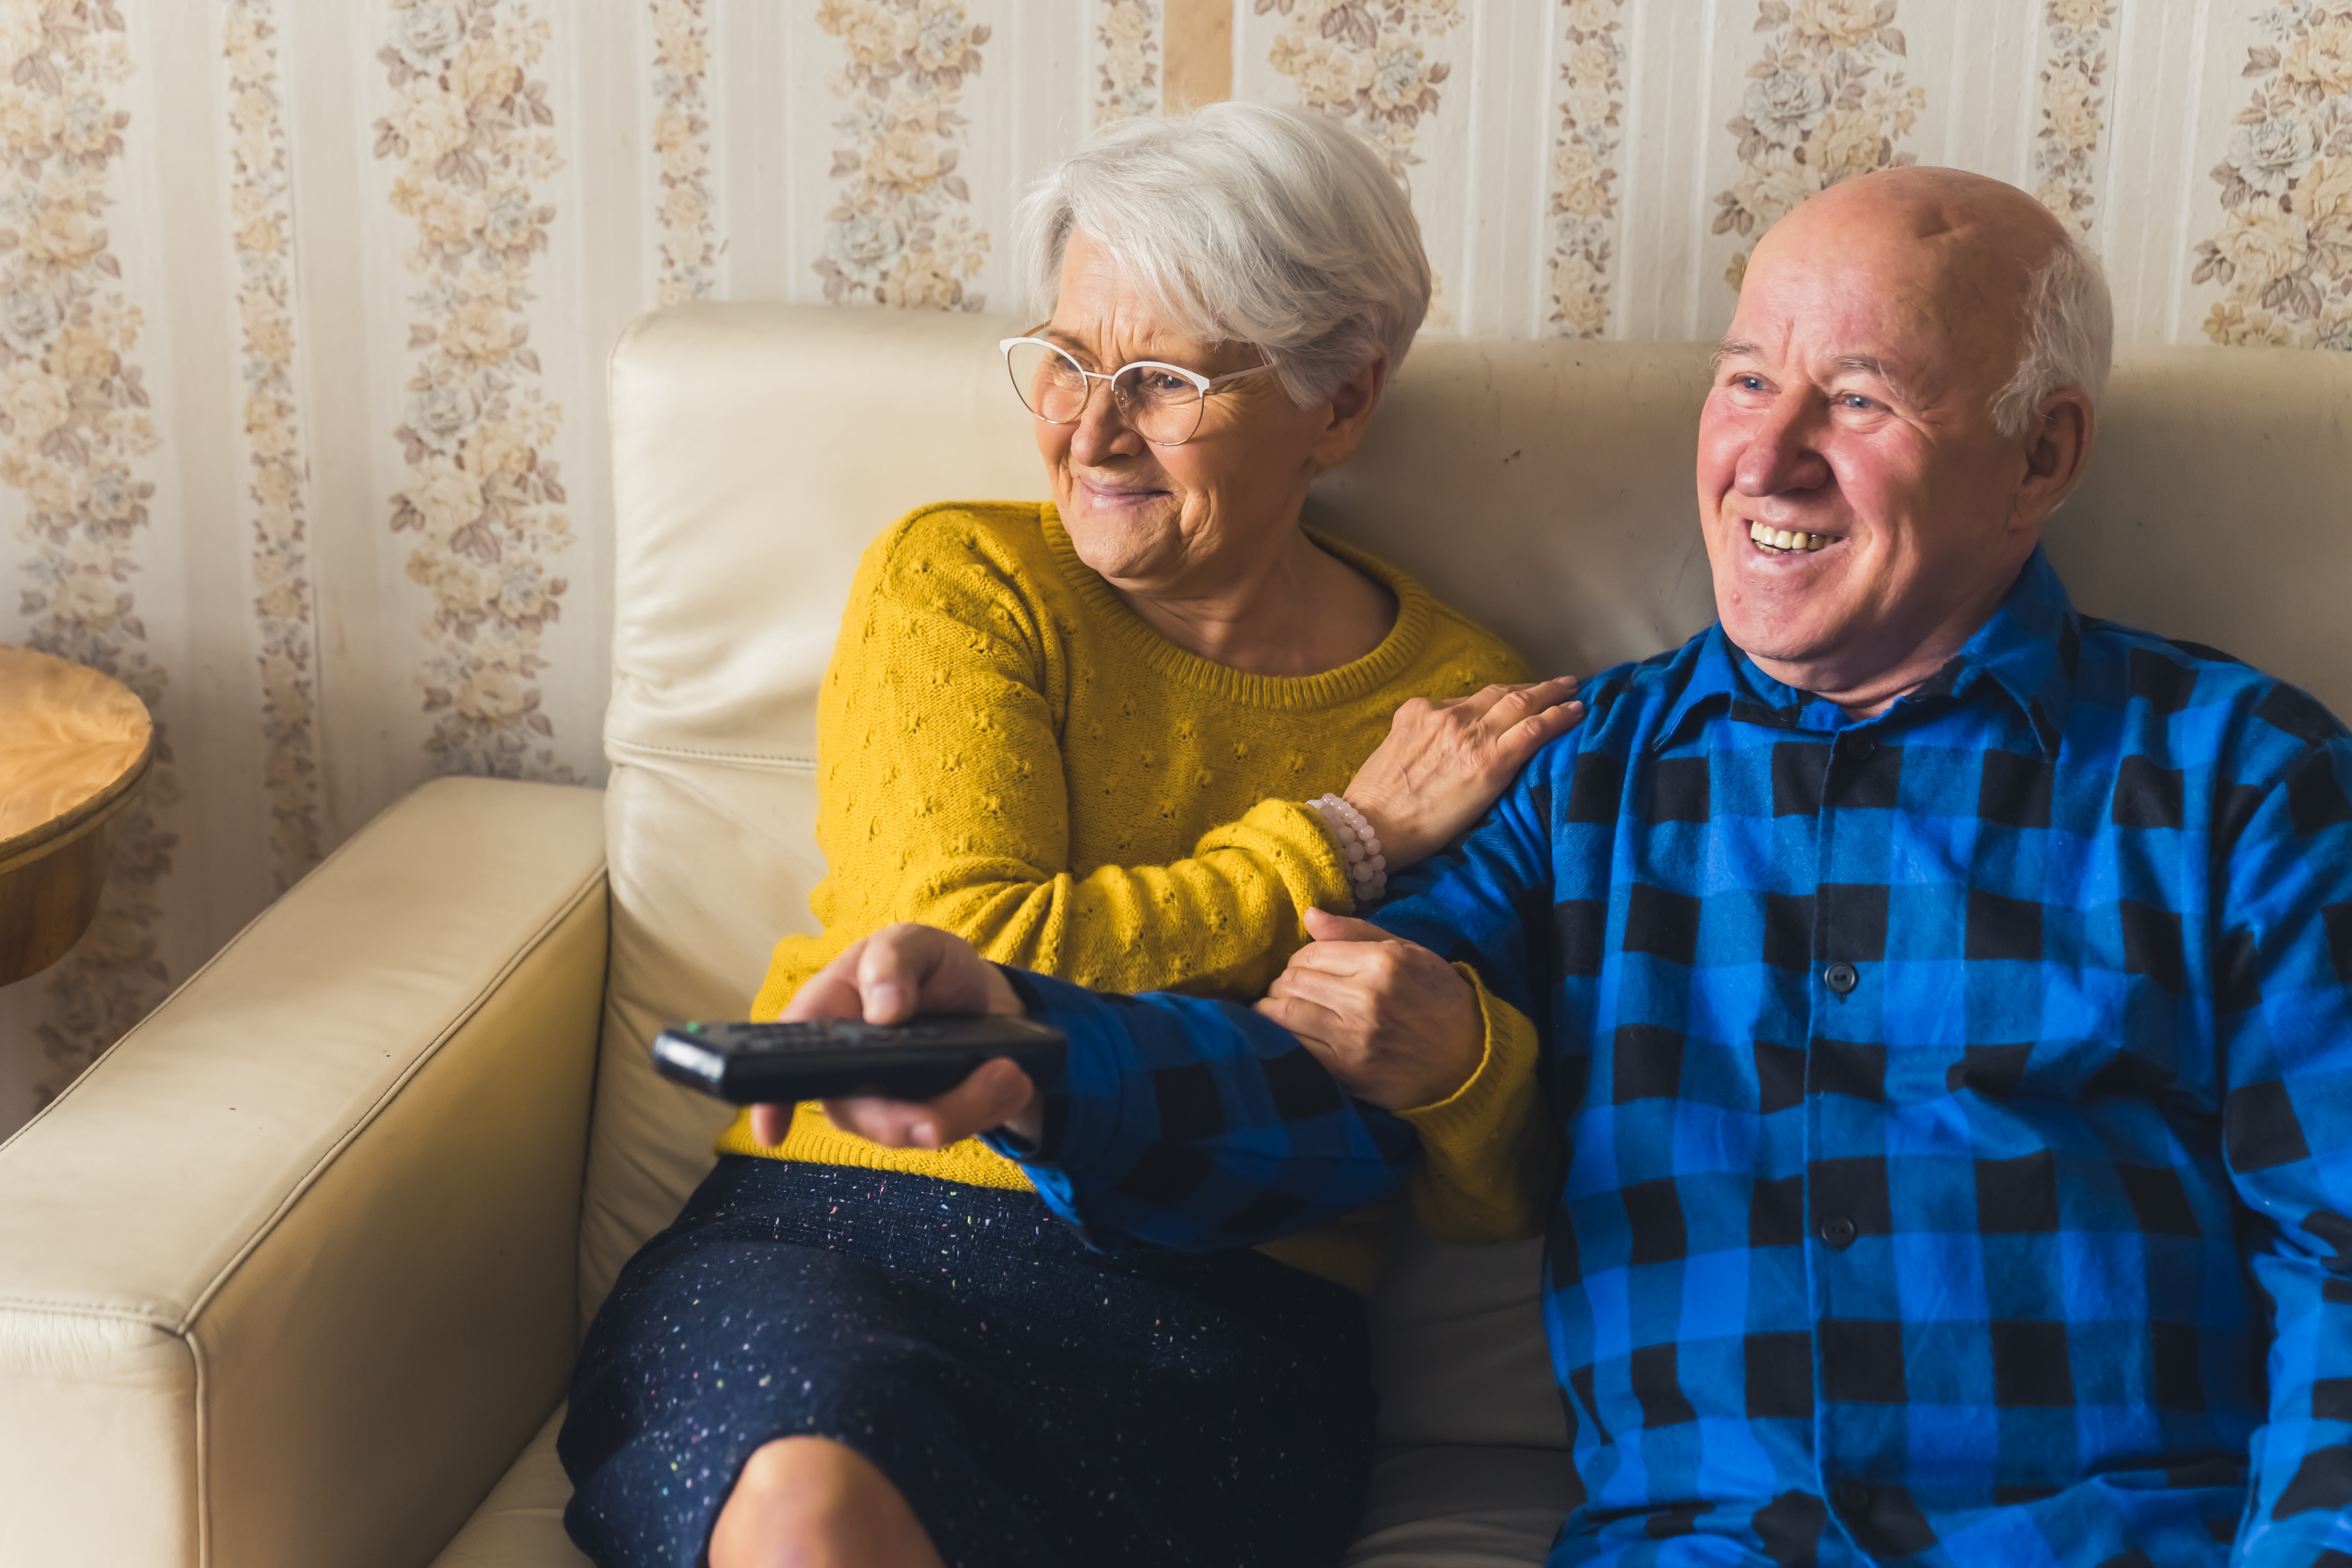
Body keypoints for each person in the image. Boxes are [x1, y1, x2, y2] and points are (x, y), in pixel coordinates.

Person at [808, 166, 2352, 1567]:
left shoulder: (2240, 778)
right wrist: (1029, 1049)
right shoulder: (1582, 774)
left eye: (1860, 400)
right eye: (1745, 380)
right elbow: (1316, 1090)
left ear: (2040, 453)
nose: (1770, 455)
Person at [559, 102, 1583, 1568]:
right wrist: (1341, 840)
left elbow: (1485, 1181)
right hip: (842, 1233)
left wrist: (1465, 1062)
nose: (1087, 429)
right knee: (803, 1503)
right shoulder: (963, 582)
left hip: (1225, 1312)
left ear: (1342, 402)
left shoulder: (1467, 715)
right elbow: (959, 970)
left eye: (1161, 379)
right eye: (1063, 359)